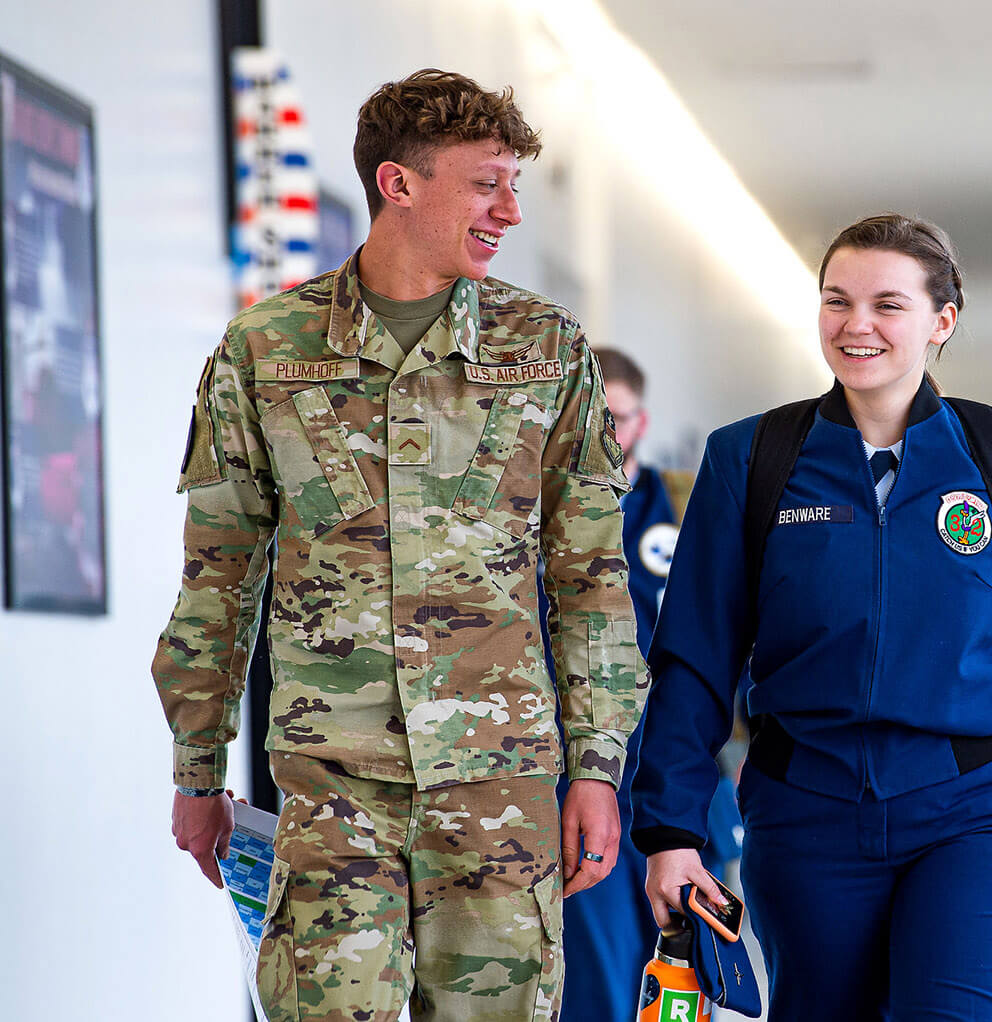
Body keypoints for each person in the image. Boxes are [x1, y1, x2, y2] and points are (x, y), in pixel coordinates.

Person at [629, 213, 992, 1020]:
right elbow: (695, 658)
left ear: (943, 320)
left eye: (887, 304)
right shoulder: (752, 459)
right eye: (836, 301)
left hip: (974, 807)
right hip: (808, 816)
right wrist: (670, 829)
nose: (856, 325)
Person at [150, 69, 646, 1022]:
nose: (507, 209)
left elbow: (590, 580)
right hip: (331, 788)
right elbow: (218, 575)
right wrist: (197, 769)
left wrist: (597, 767)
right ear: (399, 184)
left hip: (499, 786)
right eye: (486, 182)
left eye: (513, 184)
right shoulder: (266, 350)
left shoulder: (547, 349)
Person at [558, 347, 743, 1021]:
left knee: (684, 965)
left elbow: (736, 636)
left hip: (679, 770)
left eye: (614, 417)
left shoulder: (688, 509)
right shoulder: (534, 515)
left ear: (641, 423)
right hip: (582, 774)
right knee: (601, 970)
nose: (600, 433)